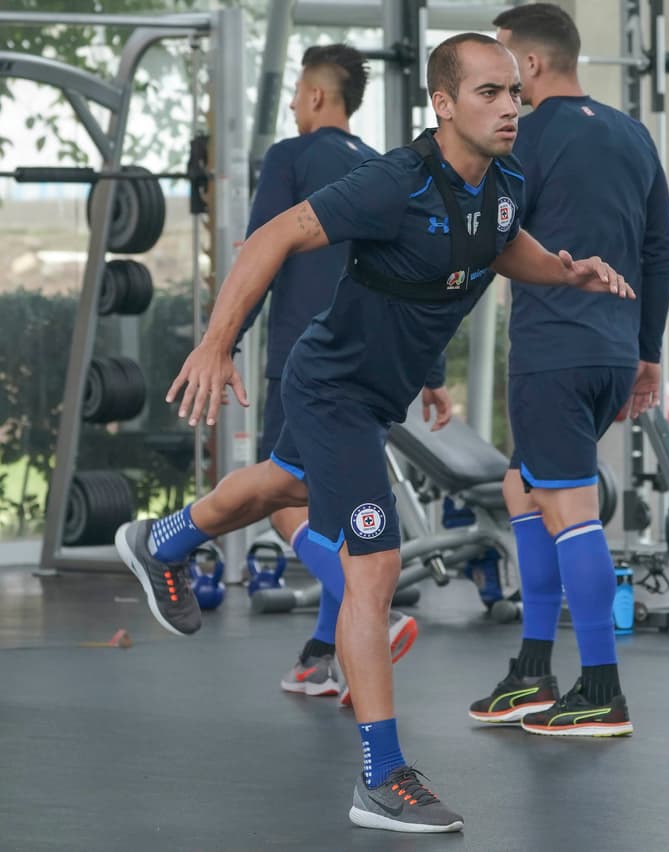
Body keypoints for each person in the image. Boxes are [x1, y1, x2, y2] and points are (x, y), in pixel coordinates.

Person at [116, 32, 631, 833]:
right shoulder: (396, 181)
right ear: (444, 103)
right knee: (375, 564)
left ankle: (163, 539)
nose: (509, 108)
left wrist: (564, 269)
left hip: (376, 394)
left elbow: (501, 246)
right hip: (332, 389)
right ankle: (380, 776)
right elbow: (272, 236)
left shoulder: (505, 183)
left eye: (513, 95)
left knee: (282, 486)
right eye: (489, 94)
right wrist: (218, 342)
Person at [465, 3, 669, 737]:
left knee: (566, 508)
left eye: (500, 65)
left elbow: (480, 246)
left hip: (553, 353)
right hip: (611, 352)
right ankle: (532, 670)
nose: (495, 83)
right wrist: (646, 352)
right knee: (521, 488)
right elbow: (659, 251)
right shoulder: (630, 134)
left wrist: (425, 356)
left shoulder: (519, 140)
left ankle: (600, 688)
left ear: (532, 66)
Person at [234, 44, 419, 703]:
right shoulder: (381, 169)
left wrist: (222, 345)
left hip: (302, 362)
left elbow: (263, 249)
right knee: (328, 509)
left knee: (281, 500)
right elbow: (412, 277)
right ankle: (322, 654)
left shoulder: (290, 157)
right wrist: (431, 377)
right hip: (370, 364)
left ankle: (378, 613)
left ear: (315, 98)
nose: (291, 105)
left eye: (294, 93)